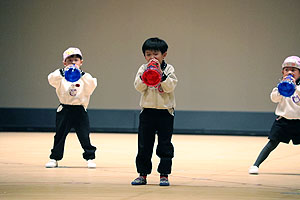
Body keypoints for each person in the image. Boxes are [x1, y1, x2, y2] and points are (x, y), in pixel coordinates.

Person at [131, 37, 178, 186]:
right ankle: (142, 174)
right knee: (144, 144)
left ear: (164, 54)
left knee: (165, 144)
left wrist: (160, 74)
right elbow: (138, 87)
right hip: (148, 112)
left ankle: (164, 174)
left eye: (155, 54)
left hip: (165, 112)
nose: (152, 57)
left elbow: (170, 87)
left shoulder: (169, 69)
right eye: (148, 54)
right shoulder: (142, 68)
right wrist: (146, 76)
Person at [45, 47, 97, 168]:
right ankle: (55, 158)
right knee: (60, 134)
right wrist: (62, 72)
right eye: (69, 60)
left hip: (79, 109)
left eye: (76, 60)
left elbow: (92, 85)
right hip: (65, 109)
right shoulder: (60, 76)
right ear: (64, 62)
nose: (73, 62)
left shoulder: (85, 77)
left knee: (84, 135)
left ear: (81, 62)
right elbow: (51, 79)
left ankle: (89, 157)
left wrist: (81, 74)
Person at [249, 56, 300, 174]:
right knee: (272, 143)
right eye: (287, 70)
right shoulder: (280, 86)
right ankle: (255, 165)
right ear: (283, 72)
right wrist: (282, 88)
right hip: (283, 121)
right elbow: (274, 98)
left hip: (298, 121)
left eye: (293, 70)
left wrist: (295, 88)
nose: (290, 73)